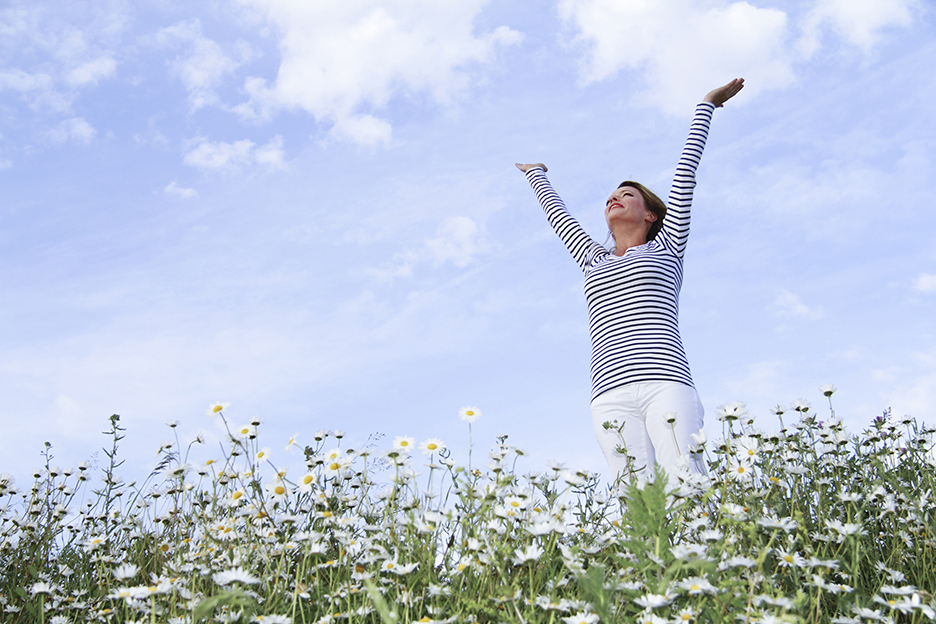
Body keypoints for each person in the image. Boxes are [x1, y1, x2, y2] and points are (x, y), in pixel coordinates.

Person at [516, 78, 744, 479]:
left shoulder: (668, 245)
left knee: (684, 480)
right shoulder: (593, 259)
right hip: (609, 394)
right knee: (633, 498)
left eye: (626, 195)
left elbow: (685, 173)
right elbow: (558, 215)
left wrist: (706, 105)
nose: (613, 200)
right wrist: (537, 173)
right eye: (609, 198)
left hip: (666, 382)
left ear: (650, 214)